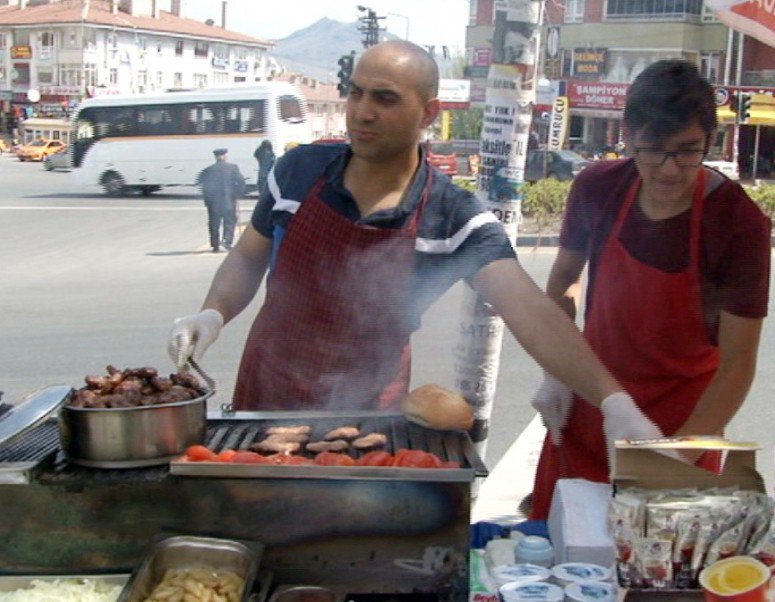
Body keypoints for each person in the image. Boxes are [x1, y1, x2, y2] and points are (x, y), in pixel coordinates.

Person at [167, 41, 660, 455]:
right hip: (267, 397)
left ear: (429, 112)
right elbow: (250, 256)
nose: (363, 112)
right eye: (356, 93)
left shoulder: (452, 216)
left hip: (368, 415)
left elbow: (530, 311)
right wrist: (212, 314)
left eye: (385, 98)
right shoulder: (297, 173)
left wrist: (614, 401)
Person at [526, 59, 771, 519]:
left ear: (710, 142)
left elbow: (738, 366)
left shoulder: (738, 224)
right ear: (627, 137)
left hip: (685, 420)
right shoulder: (598, 188)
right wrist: (557, 369)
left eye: (687, 150)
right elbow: (564, 282)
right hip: (592, 401)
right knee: (561, 545)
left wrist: (673, 461)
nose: (670, 170)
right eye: (652, 150)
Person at [196, 148, 246, 252]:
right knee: (230, 221)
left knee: (214, 223)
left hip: (213, 202)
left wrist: (207, 201)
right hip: (228, 200)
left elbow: (203, 186)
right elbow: (241, 182)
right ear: (225, 156)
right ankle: (227, 241)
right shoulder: (233, 168)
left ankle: (215, 245)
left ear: (215, 157)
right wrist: (238, 194)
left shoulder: (208, 169)